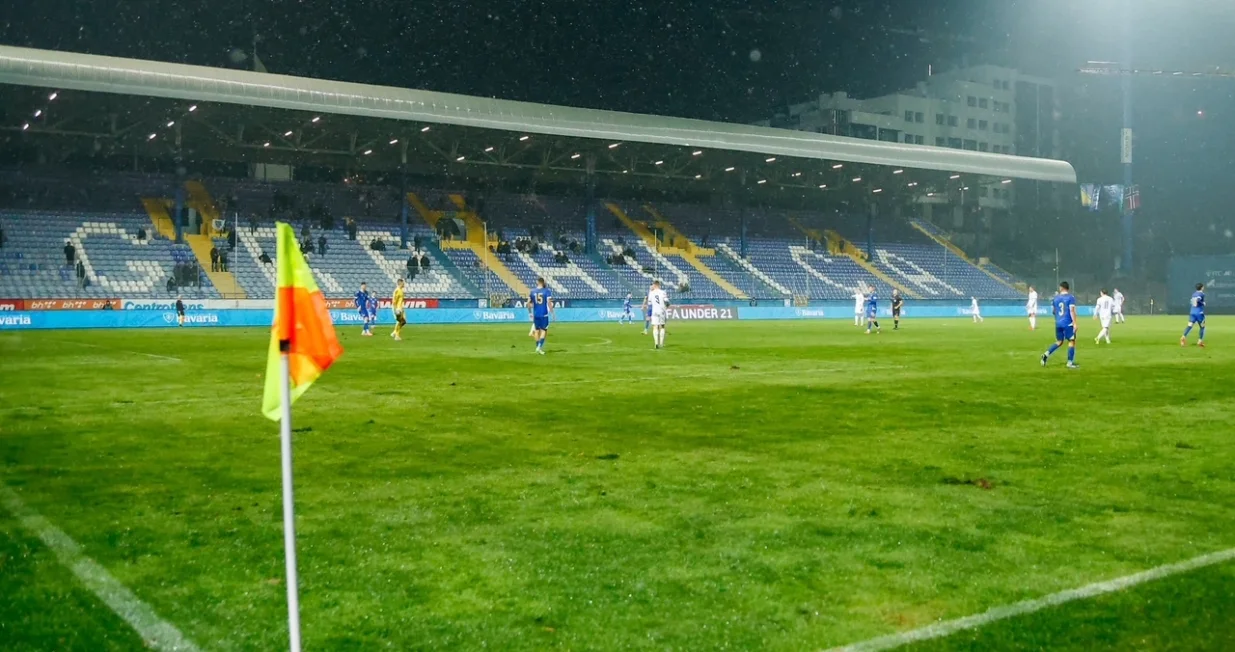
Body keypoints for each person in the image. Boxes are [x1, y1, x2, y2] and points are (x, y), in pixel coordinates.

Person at [1041, 281, 1079, 369]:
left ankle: (1046, 354)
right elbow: (1072, 310)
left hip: (1058, 323)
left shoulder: (1055, 298)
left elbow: (1054, 311)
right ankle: (1069, 363)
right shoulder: (1070, 297)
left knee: (1059, 341)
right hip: (1068, 323)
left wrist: (1058, 318)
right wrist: (1075, 323)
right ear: (1068, 288)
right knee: (1071, 341)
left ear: (1061, 288)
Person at [528, 277, 555, 354]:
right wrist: (552, 313)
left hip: (536, 314)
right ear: (543, 283)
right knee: (544, 331)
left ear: (537, 282)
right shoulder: (546, 291)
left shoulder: (532, 291)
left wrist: (530, 313)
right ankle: (539, 347)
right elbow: (549, 303)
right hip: (544, 314)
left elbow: (528, 303)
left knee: (536, 331)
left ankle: (538, 348)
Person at [646, 280, 669, 349]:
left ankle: (656, 343)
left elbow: (649, 303)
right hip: (662, 311)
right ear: (659, 285)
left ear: (655, 285)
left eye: (653, 285)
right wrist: (666, 307)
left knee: (655, 326)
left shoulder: (651, 293)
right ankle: (661, 343)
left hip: (654, 311)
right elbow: (667, 302)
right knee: (662, 326)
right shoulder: (663, 292)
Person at [1181, 283, 1206, 348]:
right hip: (1199, 313)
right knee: (1202, 327)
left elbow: (1192, 301)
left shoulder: (1193, 294)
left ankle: (1183, 337)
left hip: (1192, 312)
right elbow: (1198, 300)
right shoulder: (1202, 294)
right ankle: (1200, 341)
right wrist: (1202, 303)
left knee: (1189, 326)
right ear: (1202, 287)